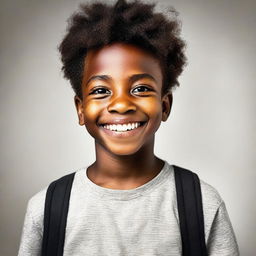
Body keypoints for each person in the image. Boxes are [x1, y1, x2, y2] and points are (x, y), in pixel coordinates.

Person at [18, 0, 239, 255]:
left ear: (165, 105)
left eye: (141, 89)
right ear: (80, 109)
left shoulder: (202, 204)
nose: (121, 105)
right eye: (101, 90)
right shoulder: (46, 209)